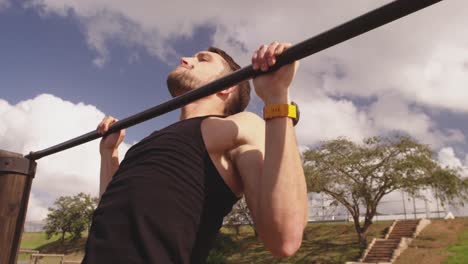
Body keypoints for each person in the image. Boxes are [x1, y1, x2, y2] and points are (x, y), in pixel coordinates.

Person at [82, 42, 308, 264]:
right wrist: (108, 153)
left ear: (226, 86)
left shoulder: (240, 126)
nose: (185, 59)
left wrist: (277, 96)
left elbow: (284, 240)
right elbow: (109, 213)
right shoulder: (148, 142)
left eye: (202, 59)